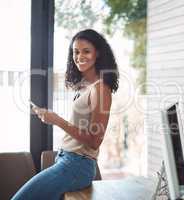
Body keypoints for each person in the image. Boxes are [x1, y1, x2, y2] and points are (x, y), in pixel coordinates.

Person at [12, 29, 119, 200]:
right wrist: (50, 117)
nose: (79, 56)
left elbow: (94, 141)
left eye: (86, 51)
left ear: (97, 53)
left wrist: (58, 121)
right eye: (76, 52)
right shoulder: (85, 87)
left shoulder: (100, 89)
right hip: (66, 160)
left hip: (77, 165)